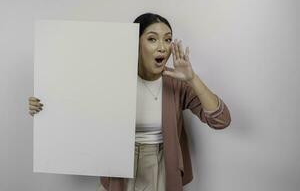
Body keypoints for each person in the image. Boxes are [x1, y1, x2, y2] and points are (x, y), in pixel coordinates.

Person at [28, 12, 231, 191]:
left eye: (168, 40)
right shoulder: (113, 79)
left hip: (162, 166)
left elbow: (221, 120)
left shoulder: (177, 83)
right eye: (152, 39)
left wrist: (192, 79)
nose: (162, 47)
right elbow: (77, 108)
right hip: (119, 167)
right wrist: (44, 107)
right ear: (136, 42)